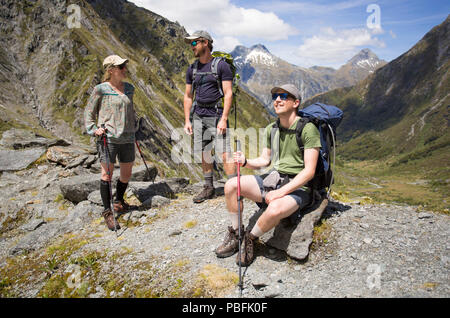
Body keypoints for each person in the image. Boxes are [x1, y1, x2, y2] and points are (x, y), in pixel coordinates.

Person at [215, 84, 321, 266]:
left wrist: (280, 193)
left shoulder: (308, 129)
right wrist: (246, 162)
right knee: (231, 185)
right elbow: (265, 160)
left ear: (296, 103)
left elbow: (309, 171)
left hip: (299, 187)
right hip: (275, 178)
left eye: (283, 96)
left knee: (275, 208)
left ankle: (250, 239)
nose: (277, 100)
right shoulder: (272, 128)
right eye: (275, 97)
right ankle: (236, 233)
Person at [84, 55, 137, 231]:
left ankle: (119, 201)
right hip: (108, 138)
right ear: (111, 70)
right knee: (106, 174)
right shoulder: (100, 89)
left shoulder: (129, 88)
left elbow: (129, 110)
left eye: (124, 66)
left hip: (128, 138)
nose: (124, 69)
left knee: (126, 174)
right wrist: (93, 129)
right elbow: (89, 112)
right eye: (121, 67)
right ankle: (108, 212)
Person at [183, 30, 235, 203]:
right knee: (204, 152)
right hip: (198, 115)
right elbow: (188, 95)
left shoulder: (221, 66)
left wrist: (224, 118)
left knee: (225, 152)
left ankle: (235, 188)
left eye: (194, 43)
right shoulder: (192, 68)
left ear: (205, 43)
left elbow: (228, 93)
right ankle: (208, 187)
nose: (192, 47)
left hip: (216, 114)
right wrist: (187, 120)